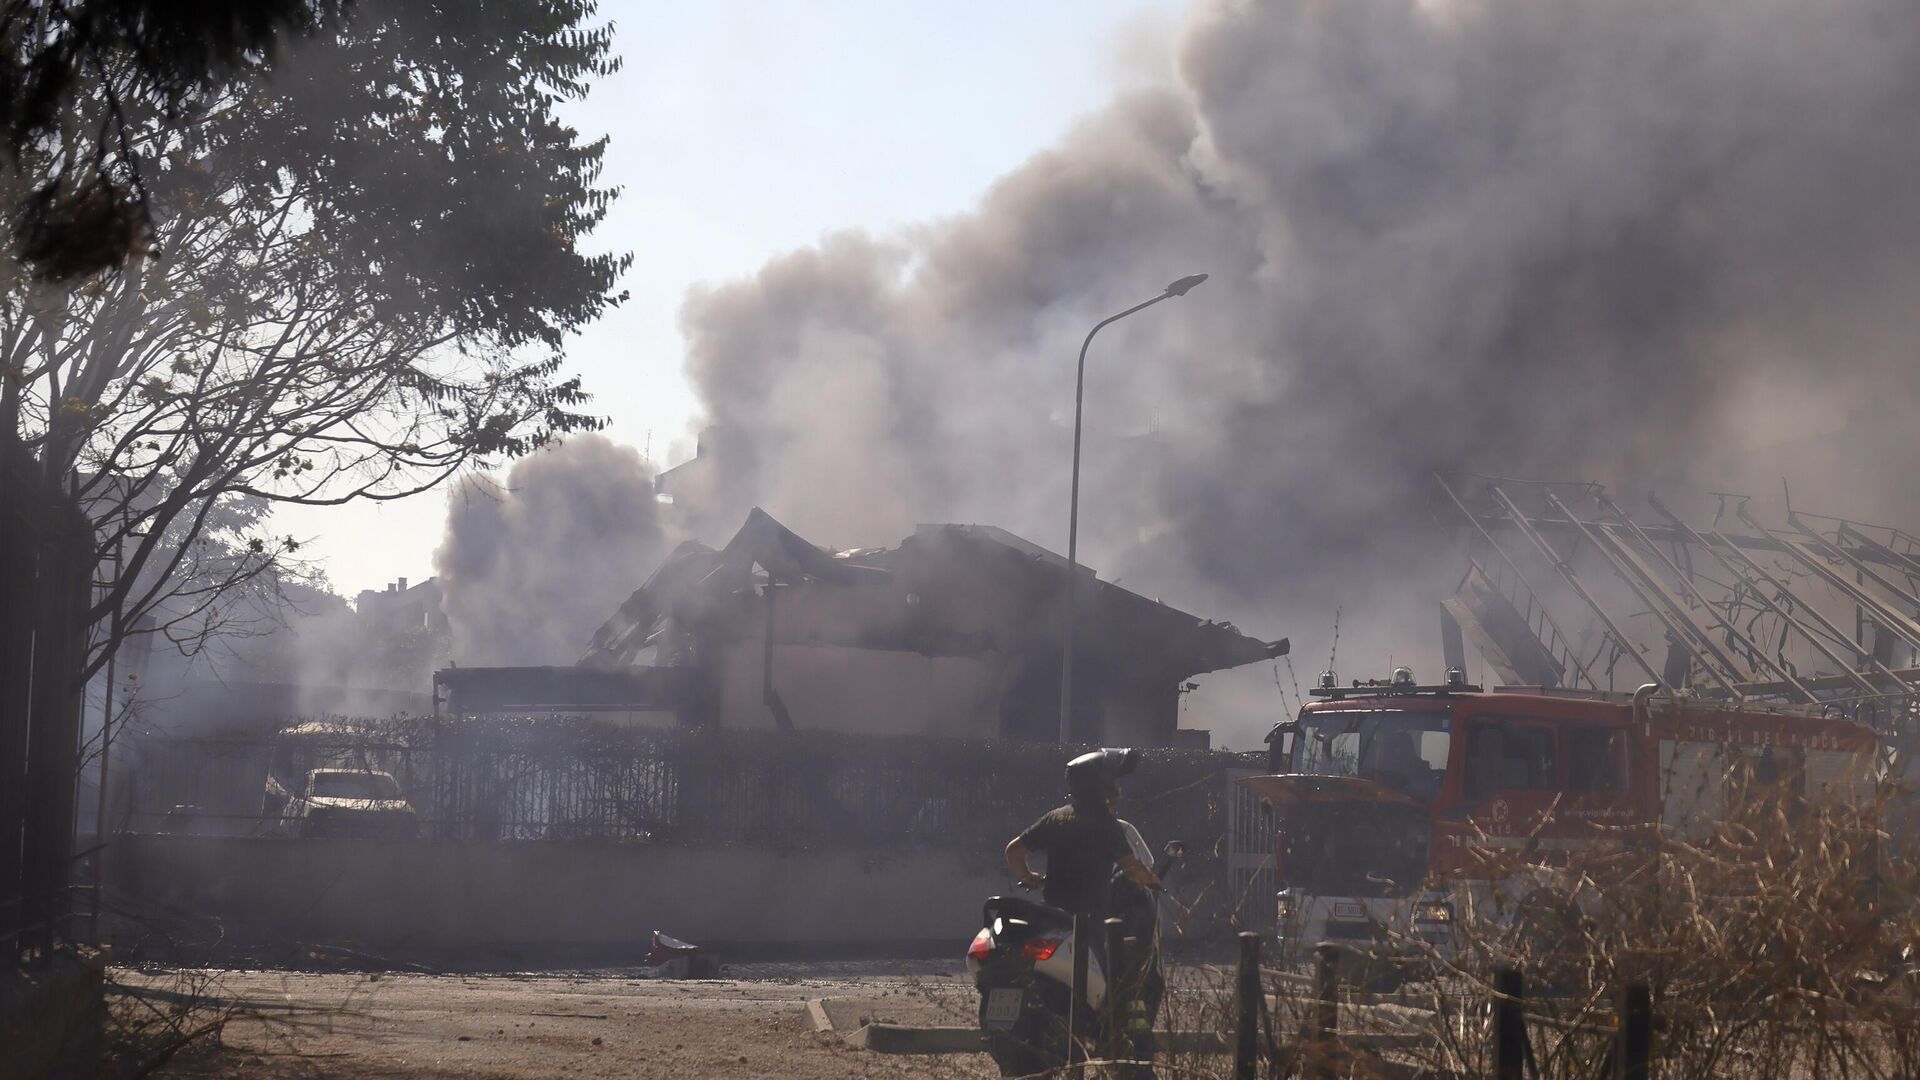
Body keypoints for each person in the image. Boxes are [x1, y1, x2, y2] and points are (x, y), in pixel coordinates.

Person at [1004, 748, 1159, 918]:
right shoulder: (1106, 825)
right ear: (1097, 785)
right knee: (1113, 937)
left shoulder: (1055, 818)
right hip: (1088, 921)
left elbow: (1014, 851)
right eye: (1112, 780)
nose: (1118, 786)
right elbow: (1132, 868)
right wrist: (1151, 880)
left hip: (1053, 916)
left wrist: (1027, 876)